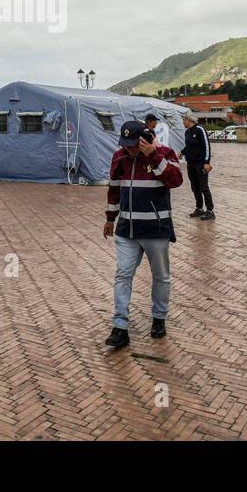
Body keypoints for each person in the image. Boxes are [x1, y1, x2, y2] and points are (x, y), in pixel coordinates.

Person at [104, 122, 183, 349]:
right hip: (127, 230)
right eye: (125, 144)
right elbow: (114, 188)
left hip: (155, 230)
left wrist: (154, 156)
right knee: (122, 274)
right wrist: (110, 218)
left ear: (146, 139)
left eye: (134, 145)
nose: (129, 150)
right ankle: (120, 327)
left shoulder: (165, 154)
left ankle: (159, 318)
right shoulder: (119, 157)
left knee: (161, 276)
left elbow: (175, 180)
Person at [179, 114, 214, 220]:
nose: (182, 122)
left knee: (204, 187)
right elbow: (189, 146)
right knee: (195, 188)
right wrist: (181, 152)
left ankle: (210, 211)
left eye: (183, 120)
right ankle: (199, 208)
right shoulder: (187, 132)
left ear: (188, 120)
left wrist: (207, 162)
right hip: (191, 164)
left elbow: (206, 146)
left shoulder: (199, 129)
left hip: (200, 164)